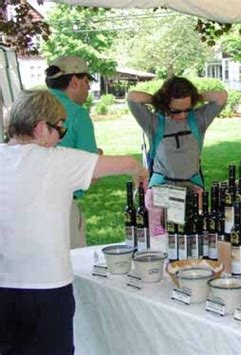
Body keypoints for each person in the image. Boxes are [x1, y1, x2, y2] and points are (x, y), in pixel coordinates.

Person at [0, 90, 148, 355]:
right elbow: (126, 163)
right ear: (41, 128)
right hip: (47, 286)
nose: (60, 137)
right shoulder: (59, 160)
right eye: (60, 130)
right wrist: (140, 172)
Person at [127, 77, 227, 242]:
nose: (182, 115)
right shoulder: (154, 123)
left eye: (187, 109)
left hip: (193, 190)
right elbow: (132, 97)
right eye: (176, 110)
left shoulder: (198, 120)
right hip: (161, 192)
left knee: (192, 241)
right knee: (160, 241)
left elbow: (221, 96)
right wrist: (159, 101)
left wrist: (194, 97)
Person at [45, 55, 100, 249]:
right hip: (63, 206)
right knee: (71, 269)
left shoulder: (28, 107)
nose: (88, 88)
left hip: (20, 207)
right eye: (87, 81)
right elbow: (91, 174)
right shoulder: (77, 114)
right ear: (75, 81)